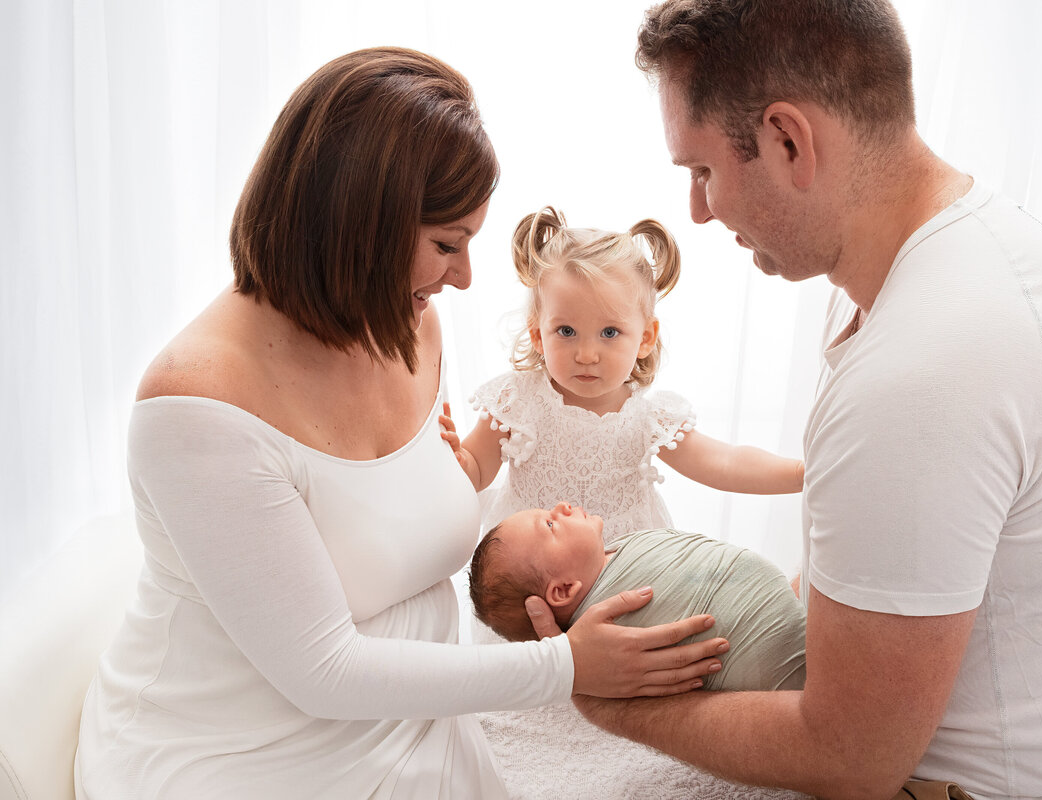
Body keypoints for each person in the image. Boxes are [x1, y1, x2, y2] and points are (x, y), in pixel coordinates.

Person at [525, 3, 1042, 799]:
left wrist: (600, 697)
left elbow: (851, 760)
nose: (698, 211)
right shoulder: (937, 265)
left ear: (789, 141)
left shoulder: (921, 370)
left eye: (702, 172)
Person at [72, 47, 728, 799]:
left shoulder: (410, 328)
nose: (464, 278)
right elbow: (324, 671)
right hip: (245, 750)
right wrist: (566, 666)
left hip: (419, 718)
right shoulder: (198, 407)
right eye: (447, 244)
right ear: (357, 225)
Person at [440, 206, 804, 542]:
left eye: (609, 333)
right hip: (534, 562)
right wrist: (460, 463)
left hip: (619, 564)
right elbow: (477, 470)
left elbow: (724, 463)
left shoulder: (647, 419)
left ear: (645, 338)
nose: (586, 355)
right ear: (538, 334)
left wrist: (803, 473)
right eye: (565, 331)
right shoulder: (518, 402)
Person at [469, 502, 807, 692]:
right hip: (785, 666)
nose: (559, 507)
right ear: (563, 590)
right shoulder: (614, 631)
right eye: (550, 526)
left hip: (793, 613)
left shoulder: (614, 553)